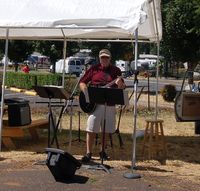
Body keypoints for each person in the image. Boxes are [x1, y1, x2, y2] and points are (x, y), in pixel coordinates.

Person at [79, 49, 126, 163]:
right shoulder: (94, 69)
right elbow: (82, 82)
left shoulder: (116, 70)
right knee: (91, 128)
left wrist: (120, 84)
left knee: (106, 129)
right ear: (99, 58)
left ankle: (102, 152)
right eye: (102, 58)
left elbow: (122, 87)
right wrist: (86, 93)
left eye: (107, 58)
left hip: (109, 104)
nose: (104, 59)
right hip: (95, 104)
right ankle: (89, 153)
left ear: (110, 59)